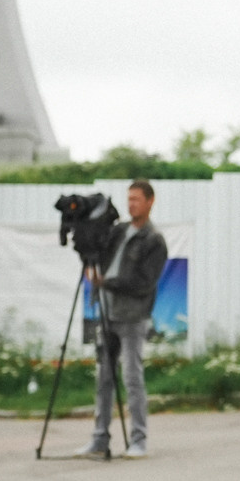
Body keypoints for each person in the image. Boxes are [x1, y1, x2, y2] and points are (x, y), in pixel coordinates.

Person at [74, 180, 167, 461]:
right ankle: (99, 438)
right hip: (107, 311)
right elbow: (98, 250)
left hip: (132, 315)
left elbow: (144, 282)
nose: (131, 205)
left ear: (150, 201)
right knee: (104, 377)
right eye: (128, 199)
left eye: (136, 199)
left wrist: (107, 282)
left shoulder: (153, 240)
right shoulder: (119, 231)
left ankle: (138, 439)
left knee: (131, 376)